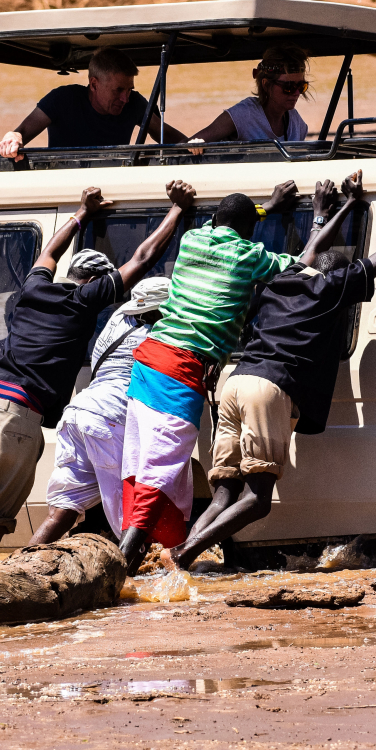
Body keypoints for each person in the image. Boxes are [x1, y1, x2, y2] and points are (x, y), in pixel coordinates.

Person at [0, 182, 195, 576]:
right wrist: (177, 210)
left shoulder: (33, 288)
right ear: (92, 284)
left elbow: (48, 252)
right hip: (19, 410)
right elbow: (141, 258)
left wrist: (81, 214)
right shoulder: (82, 302)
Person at [170, 171, 376, 571]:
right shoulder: (331, 288)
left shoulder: (281, 279)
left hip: (235, 383)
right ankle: (186, 553)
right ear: (335, 275)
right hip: (269, 388)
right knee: (257, 500)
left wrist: (333, 208)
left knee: (225, 495)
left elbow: (311, 249)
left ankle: (179, 562)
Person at [118, 180, 301, 572]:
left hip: (148, 360)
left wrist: (265, 207)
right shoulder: (252, 255)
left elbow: (230, 219)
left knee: (138, 467)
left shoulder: (193, 240)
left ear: (215, 220)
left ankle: (140, 560)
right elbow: (298, 268)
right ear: (250, 231)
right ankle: (125, 558)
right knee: (161, 470)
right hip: (182, 370)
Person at [26, 273, 172, 544]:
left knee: (66, 505)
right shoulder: (158, 332)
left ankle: (21, 568)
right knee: (130, 513)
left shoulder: (115, 320)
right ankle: (137, 582)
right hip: (110, 417)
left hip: (79, 411)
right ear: (157, 311)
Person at [0, 48, 188, 157]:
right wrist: (12, 138)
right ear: (94, 84)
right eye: (119, 90)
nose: (125, 98)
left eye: (129, 89)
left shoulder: (134, 103)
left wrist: (195, 145)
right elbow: (22, 132)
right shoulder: (63, 99)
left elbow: (166, 134)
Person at [189, 44, 313, 145]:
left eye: (301, 86)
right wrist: (198, 144)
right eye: (288, 87)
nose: (297, 93)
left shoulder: (297, 123)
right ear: (266, 85)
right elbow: (190, 144)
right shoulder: (243, 114)